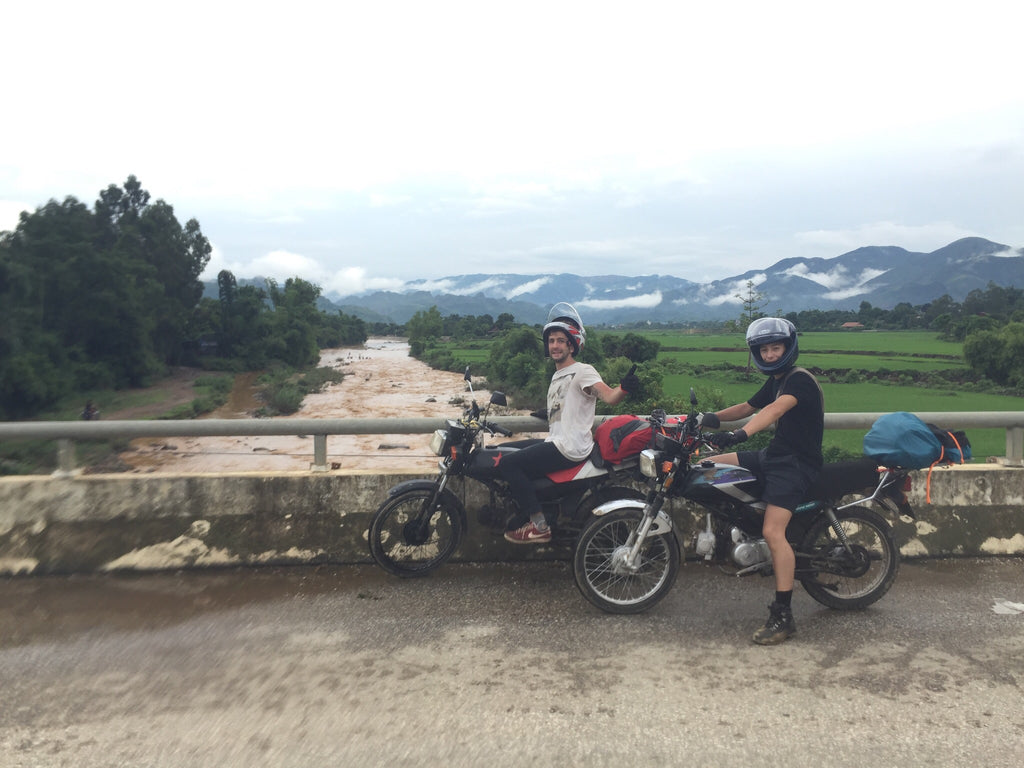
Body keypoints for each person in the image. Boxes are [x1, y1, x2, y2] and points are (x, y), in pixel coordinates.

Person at [703, 317, 824, 645]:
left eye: (776, 348)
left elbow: (770, 413)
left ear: (788, 348)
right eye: (764, 350)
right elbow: (748, 406)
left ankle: (783, 616)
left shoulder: (799, 382)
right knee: (705, 467)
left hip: (796, 465)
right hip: (773, 455)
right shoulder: (777, 379)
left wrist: (739, 434)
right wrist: (707, 418)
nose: (770, 355)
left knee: (773, 531)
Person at [500, 302, 641, 544]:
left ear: (572, 345)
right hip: (556, 441)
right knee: (502, 452)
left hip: (570, 447)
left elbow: (609, 397)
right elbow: (570, 402)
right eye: (551, 340)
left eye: (560, 341)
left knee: (509, 465)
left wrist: (624, 388)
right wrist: (551, 412)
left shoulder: (583, 371)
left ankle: (539, 524)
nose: (554, 345)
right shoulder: (557, 375)